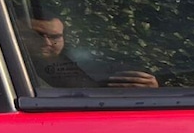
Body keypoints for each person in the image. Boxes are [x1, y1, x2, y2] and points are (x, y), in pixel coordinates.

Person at [22, 14, 159, 89]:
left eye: (55, 37)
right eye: (36, 36)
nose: (47, 43)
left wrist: (151, 90)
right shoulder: (8, 69)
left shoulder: (88, 66)